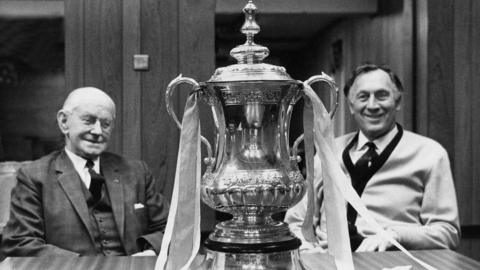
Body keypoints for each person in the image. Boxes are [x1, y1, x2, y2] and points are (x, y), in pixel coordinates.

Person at [285, 64, 460, 252]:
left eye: (382, 95)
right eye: (363, 97)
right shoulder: (328, 152)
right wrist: (309, 248)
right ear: (351, 106)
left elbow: (447, 233)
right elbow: (295, 223)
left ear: (398, 101)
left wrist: (396, 236)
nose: (372, 105)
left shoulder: (430, 154)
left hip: (393, 262)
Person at [1, 87, 169, 257]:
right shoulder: (34, 177)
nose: (97, 131)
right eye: (88, 120)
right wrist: (84, 265)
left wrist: (150, 253)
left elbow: (172, 231)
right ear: (64, 122)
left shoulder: (136, 172)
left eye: (106, 124)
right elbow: (20, 243)